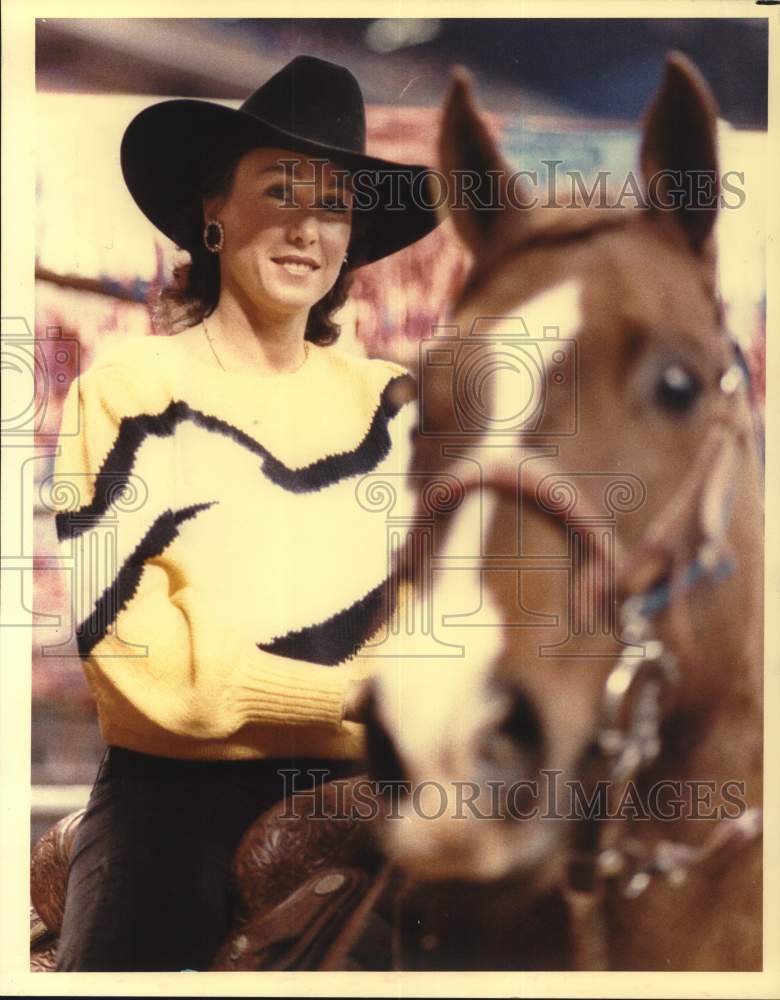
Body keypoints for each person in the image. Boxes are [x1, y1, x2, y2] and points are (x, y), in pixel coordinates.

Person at [52, 55, 439, 972]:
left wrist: (268, 693)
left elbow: (433, 643)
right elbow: (162, 688)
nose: (309, 225)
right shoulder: (127, 393)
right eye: (280, 189)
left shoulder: (400, 404)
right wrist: (360, 701)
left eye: (334, 202)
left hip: (373, 797)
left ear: (353, 239)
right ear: (213, 213)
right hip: (174, 807)